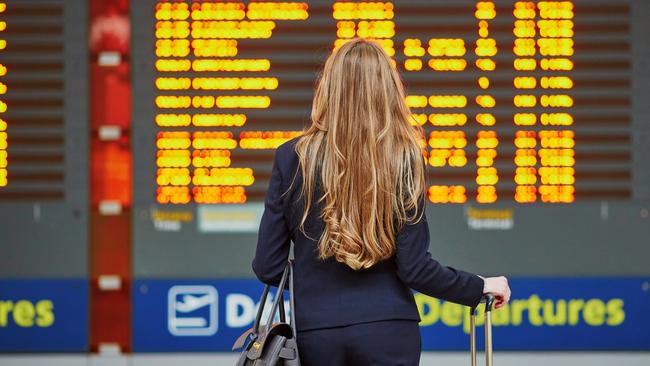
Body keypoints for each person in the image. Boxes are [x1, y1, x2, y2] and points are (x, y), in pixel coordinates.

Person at [252, 38, 511, 366]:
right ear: (388, 90)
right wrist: (479, 286)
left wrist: (316, 281)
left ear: (328, 88)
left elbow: (267, 266)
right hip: (389, 332)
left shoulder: (292, 157)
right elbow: (415, 268)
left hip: (318, 336)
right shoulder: (404, 157)